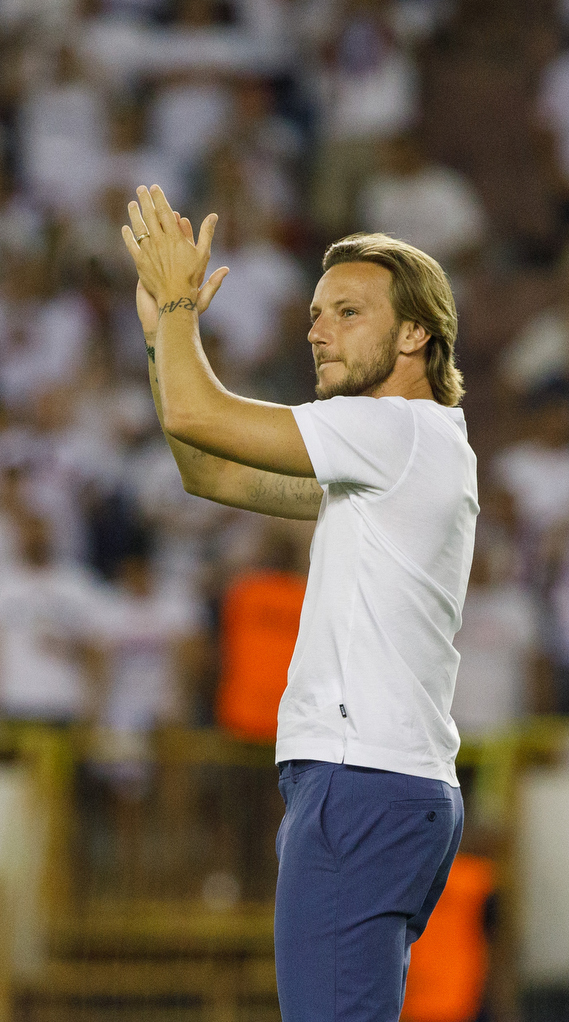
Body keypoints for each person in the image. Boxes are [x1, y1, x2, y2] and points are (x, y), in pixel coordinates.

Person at [120, 185, 474, 1021]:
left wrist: (176, 309)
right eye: (316, 312)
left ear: (417, 332)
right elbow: (208, 468)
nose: (318, 328)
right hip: (381, 783)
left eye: (348, 311)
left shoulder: (394, 430)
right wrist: (159, 337)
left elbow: (196, 410)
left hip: (364, 783)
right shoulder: (400, 456)